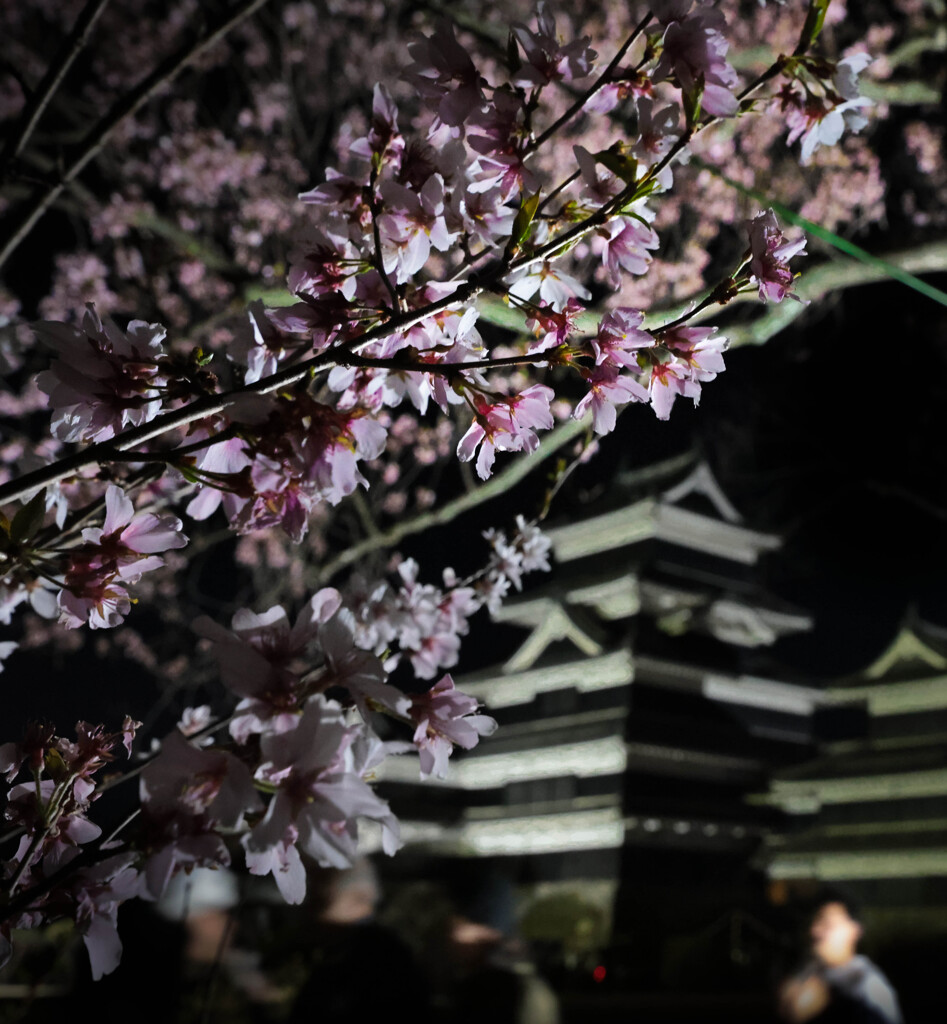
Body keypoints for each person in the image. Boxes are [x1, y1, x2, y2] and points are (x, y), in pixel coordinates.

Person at [777, 891, 902, 1024]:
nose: (815, 931)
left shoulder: (869, 986)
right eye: (816, 923)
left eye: (828, 924)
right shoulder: (810, 968)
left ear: (854, 930)